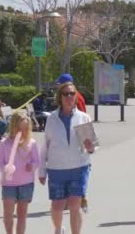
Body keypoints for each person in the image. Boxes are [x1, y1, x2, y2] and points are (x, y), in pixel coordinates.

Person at [38, 82, 96, 234]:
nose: (69, 96)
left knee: (74, 206)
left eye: (72, 93)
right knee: (57, 207)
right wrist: (42, 171)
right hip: (57, 168)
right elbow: (45, 145)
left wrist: (91, 147)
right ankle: (58, 229)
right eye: (66, 94)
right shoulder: (52, 119)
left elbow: (93, 146)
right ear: (60, 97)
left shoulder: (83, 117)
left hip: (79, 167)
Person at [0, 112, 40, 234]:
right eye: (20, 129)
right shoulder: (4, 144)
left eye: (25, 129)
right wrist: (5, 168)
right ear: (14, 127)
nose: (23, 132)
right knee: (8, 214)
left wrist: (31, 166)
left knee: (22, 214)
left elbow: (37, 160)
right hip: (9, 183)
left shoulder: (31, 142)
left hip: (26, 183)